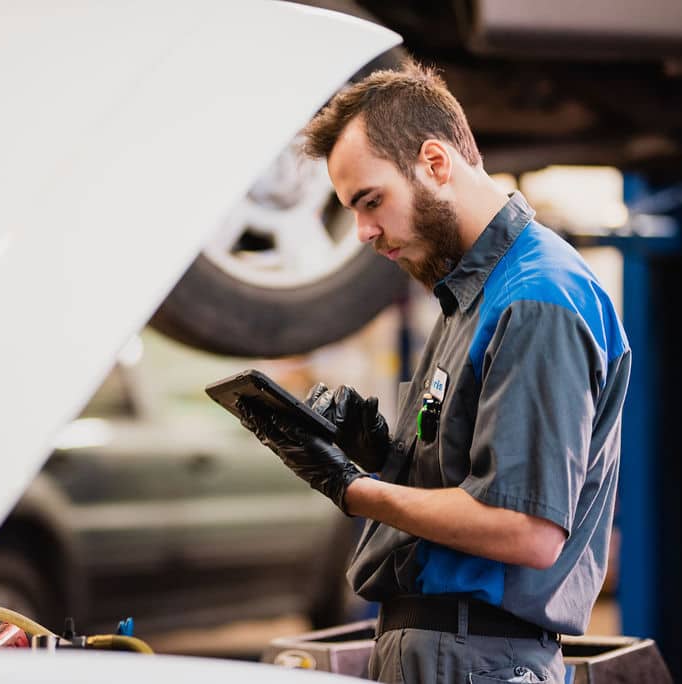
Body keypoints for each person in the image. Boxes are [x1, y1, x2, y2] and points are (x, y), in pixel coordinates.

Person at [238, 60, 630, 684]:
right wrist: (378, 455)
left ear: (435, 163)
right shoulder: (467, 294)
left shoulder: (536, 299)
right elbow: (470, 480)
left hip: (479, 659)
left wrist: (352, 487)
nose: (364, 232)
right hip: (444, 650)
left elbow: (525, 531)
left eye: (372, 202)